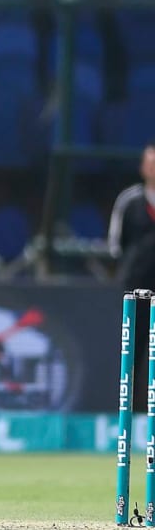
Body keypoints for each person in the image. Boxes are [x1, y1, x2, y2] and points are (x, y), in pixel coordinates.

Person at [108, 140, 155, 413]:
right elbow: (116, 245)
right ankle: (129, 410)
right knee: (132, 350)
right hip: (136, 290)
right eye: (150, 163)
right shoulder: (130, 200)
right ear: (142, 168)